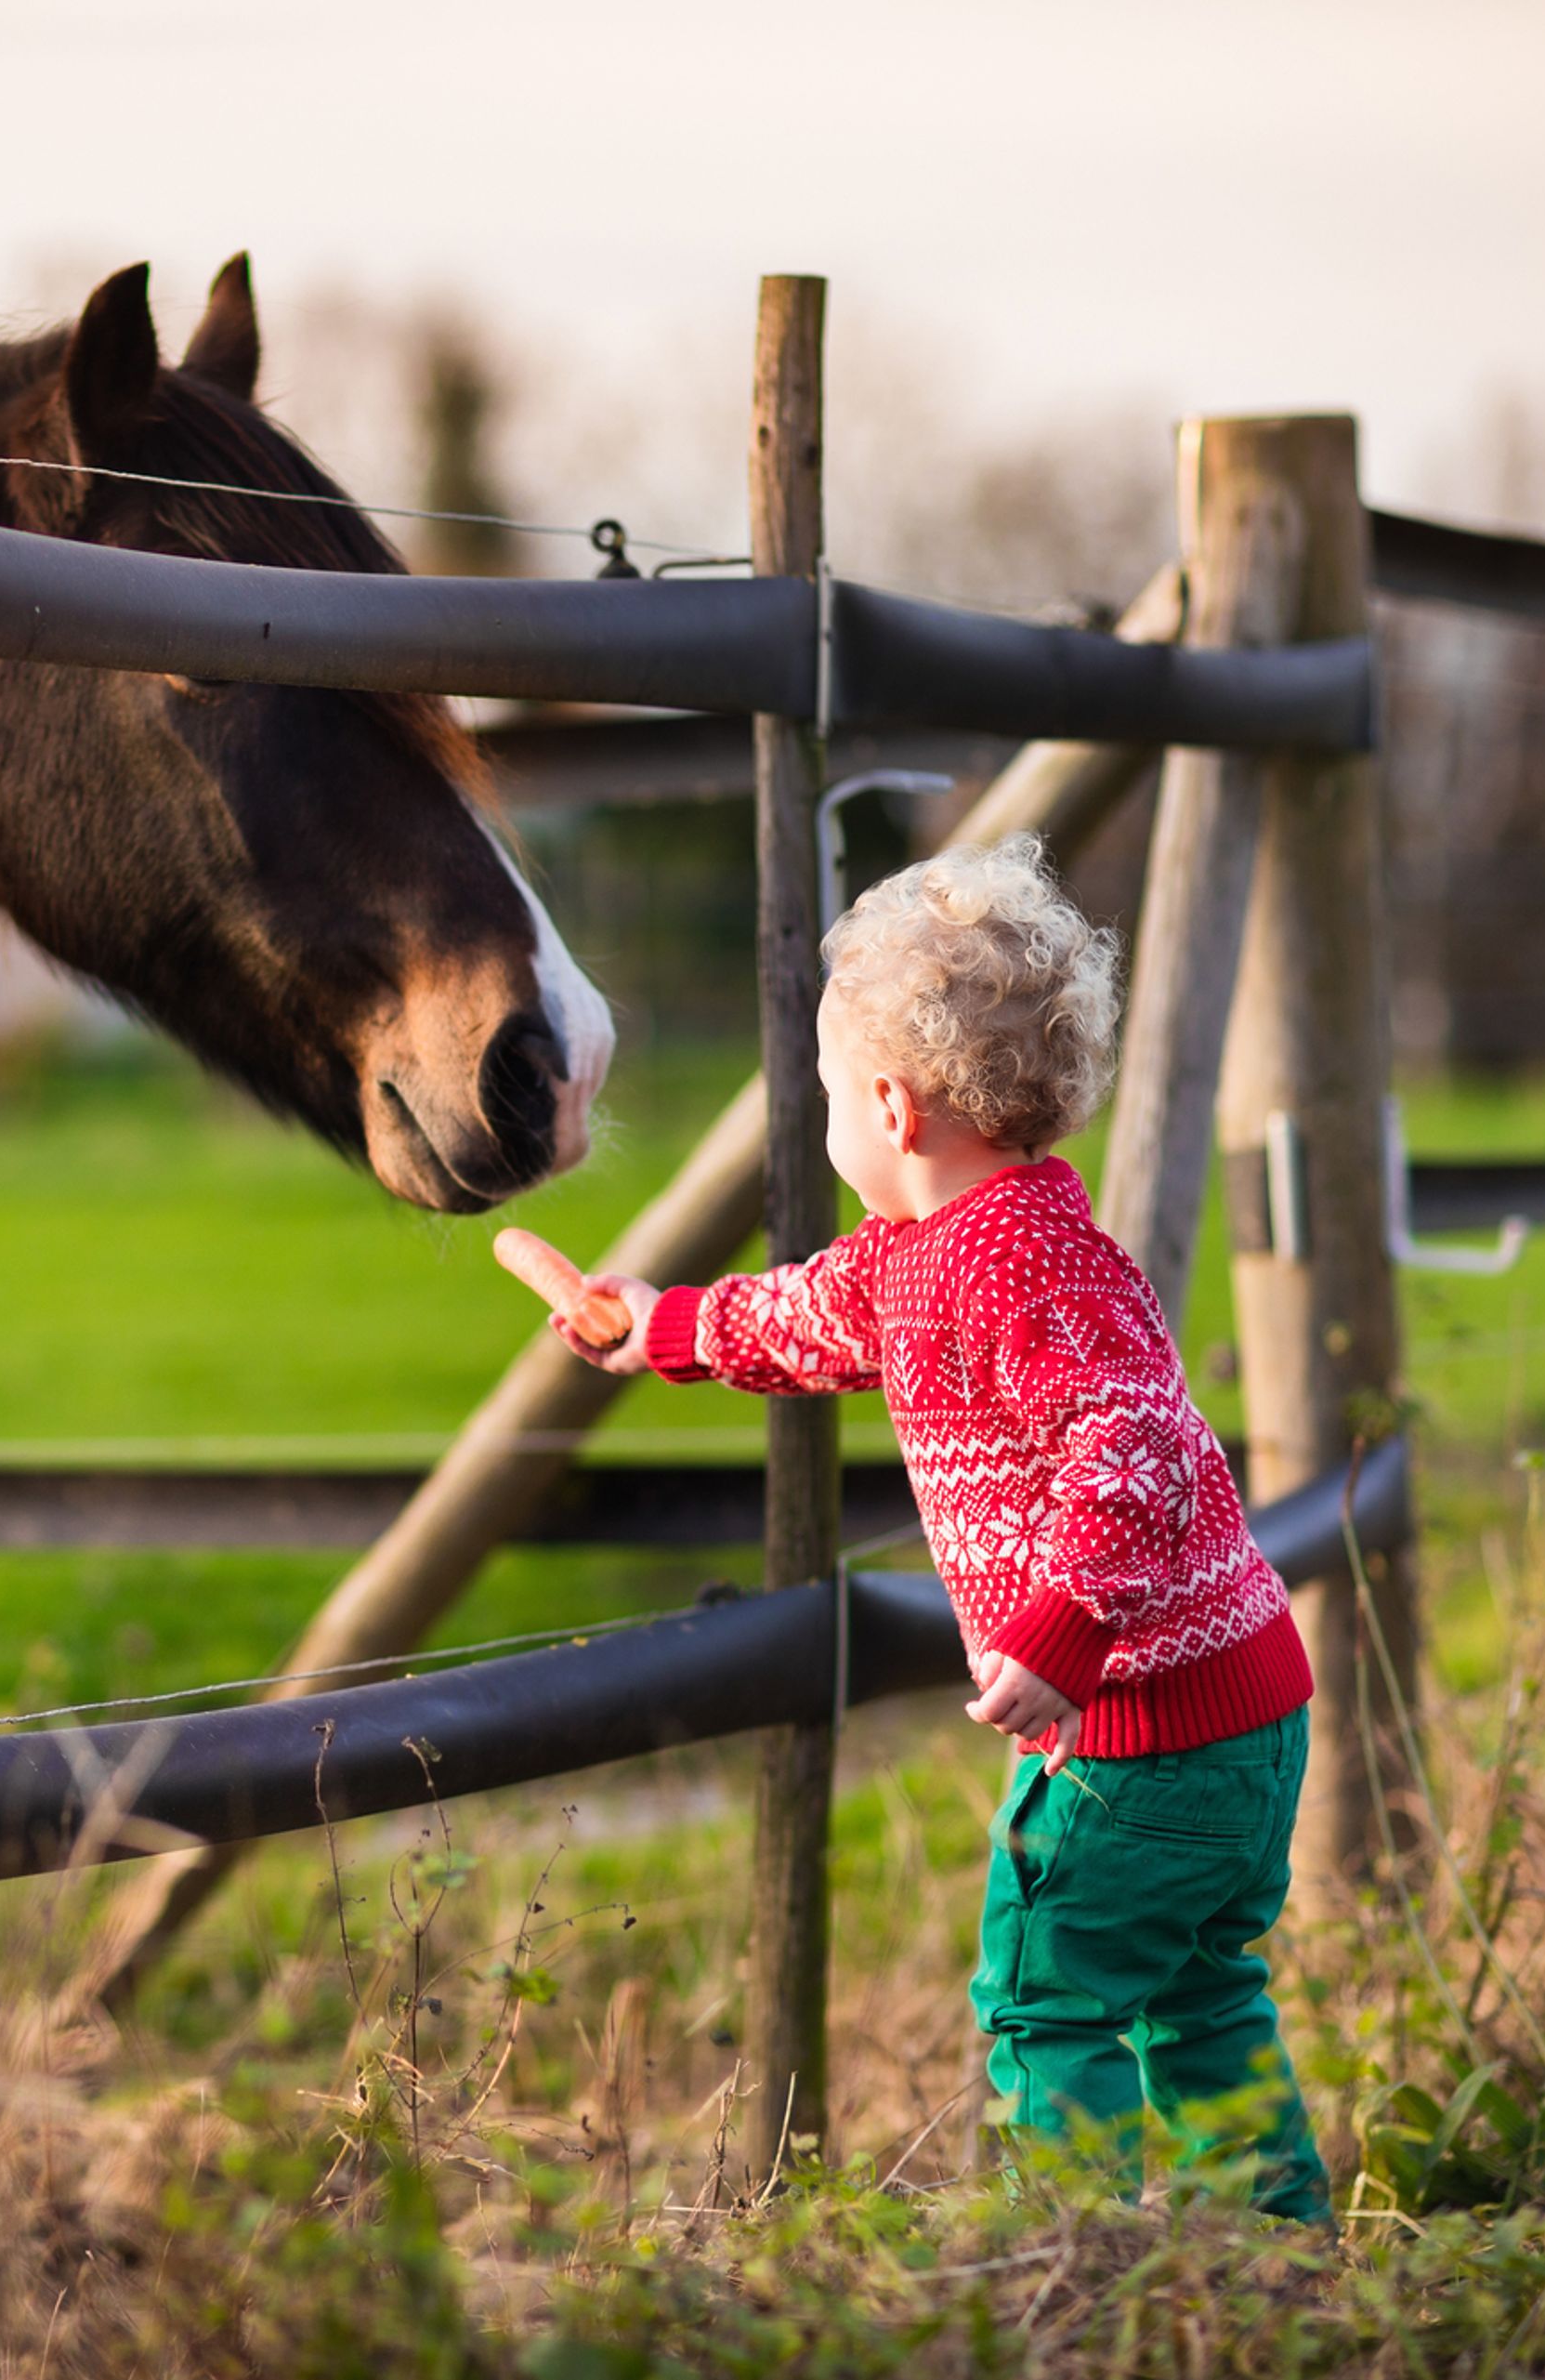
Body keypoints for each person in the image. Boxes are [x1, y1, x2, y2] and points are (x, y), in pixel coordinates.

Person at [496, 834, 1328, 2220]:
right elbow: (799, 1315)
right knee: (1197, 1999)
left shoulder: (1020, 1275)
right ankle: (1284, 2259)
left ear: (887, 1107)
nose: (822, 1118)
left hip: (1144, 1732)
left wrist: (1063, 1632)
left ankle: (1070, 2269)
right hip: (1243, 1715)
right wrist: (658, 1326)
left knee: (1042, 1998)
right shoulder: (953, 1255)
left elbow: (1128, 1458)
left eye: (821, 1093)